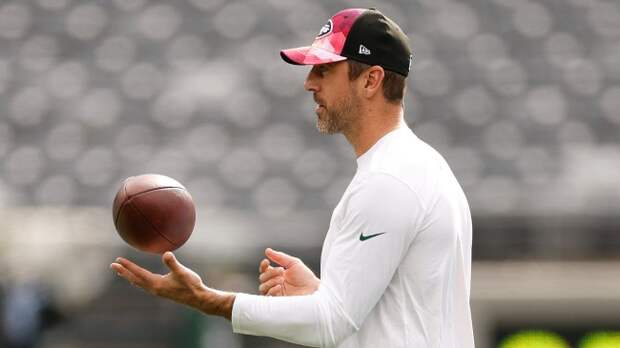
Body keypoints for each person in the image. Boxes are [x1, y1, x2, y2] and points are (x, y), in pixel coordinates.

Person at [111, 8, 474, 348]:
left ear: (371, 80)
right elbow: (386, 317)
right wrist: (319, 293)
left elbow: (331, 323)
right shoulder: (421, 166)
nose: (309, 83)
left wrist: (208, 299)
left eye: (325, 70)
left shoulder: (390, 180)